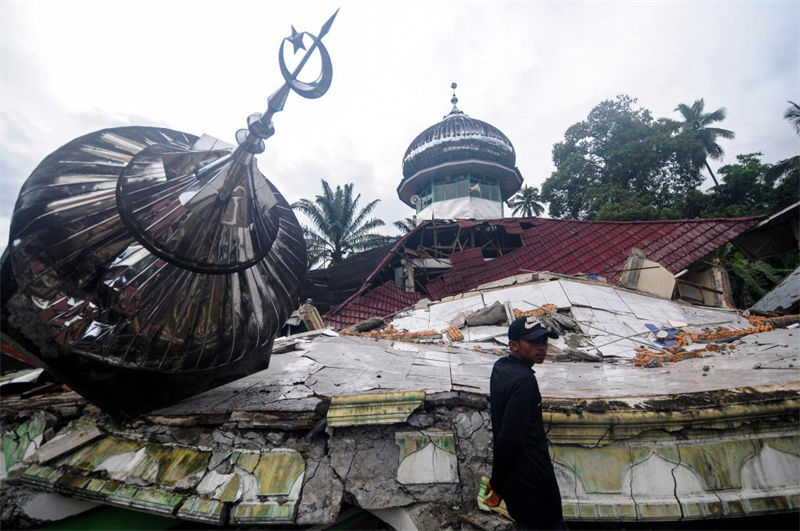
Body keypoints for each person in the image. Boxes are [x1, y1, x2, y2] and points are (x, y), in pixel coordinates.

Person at [484, 316, 567, 530]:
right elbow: (511, 439)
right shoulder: (525, 382)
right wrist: (498, 483)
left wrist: (499, 479)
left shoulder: (501, 368)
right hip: (533, 484)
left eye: (544, 342)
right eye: (533, 342)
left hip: (517, 482)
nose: (541, 348)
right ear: (513, 345)